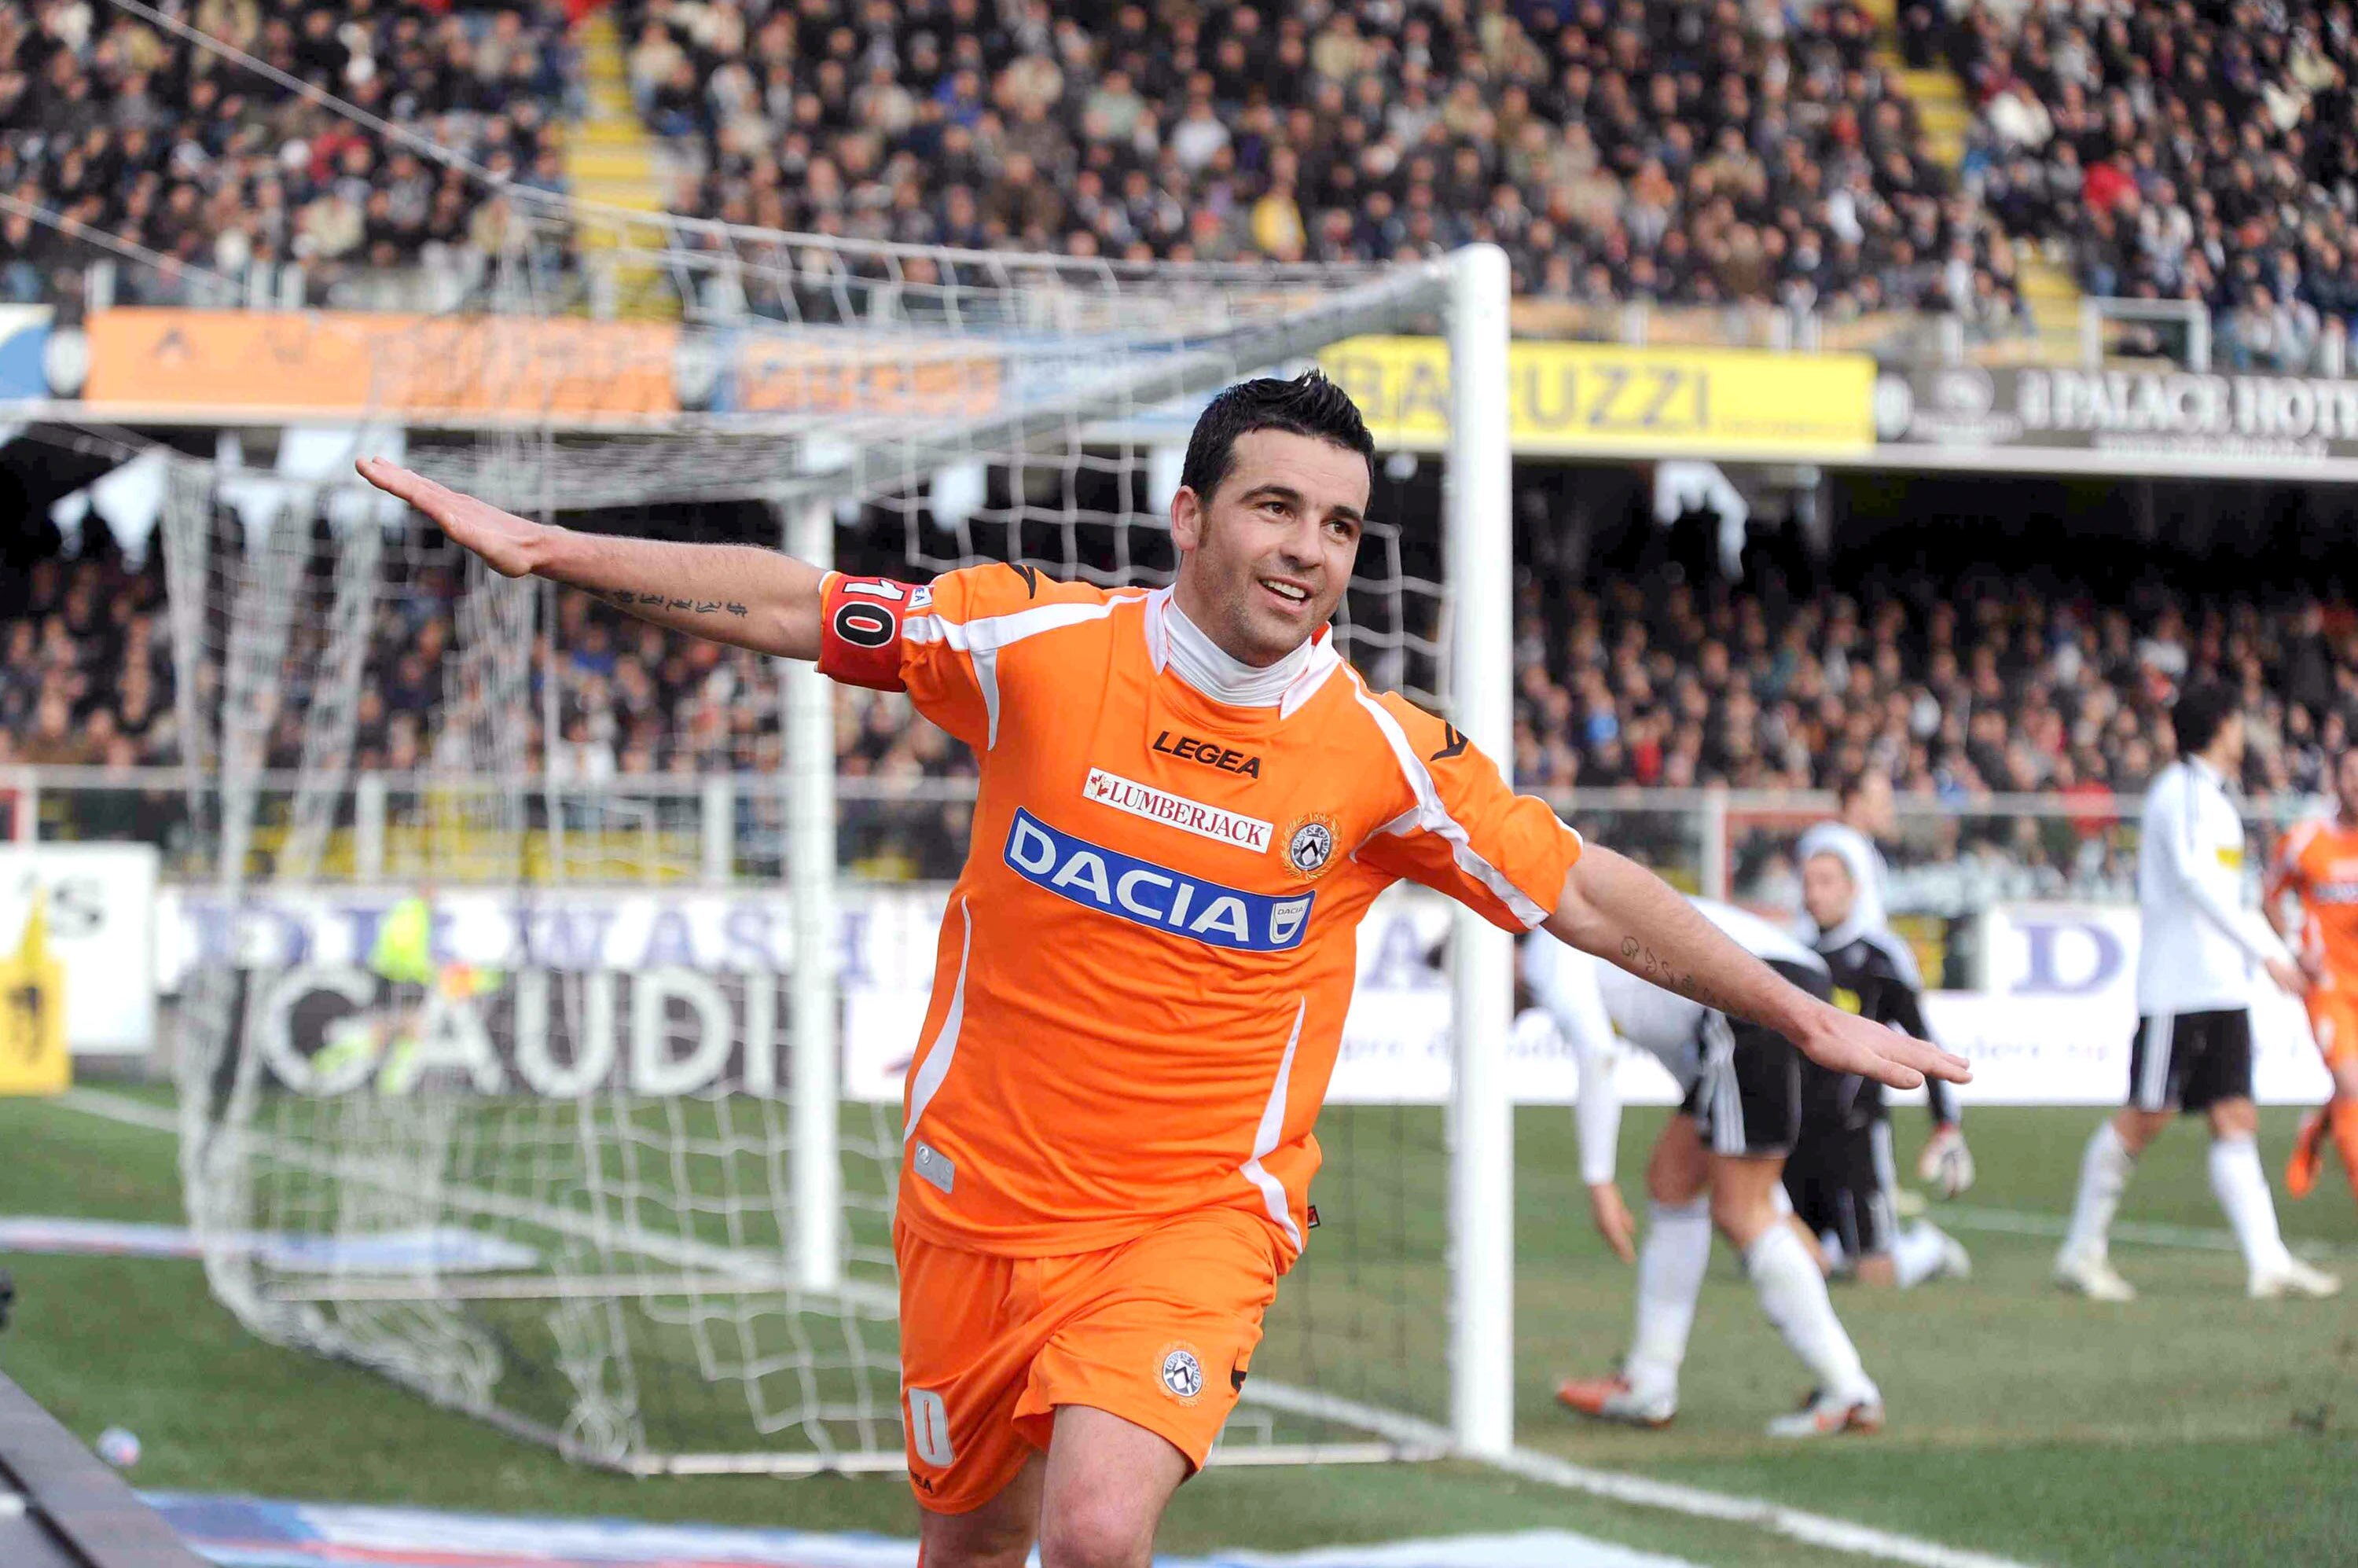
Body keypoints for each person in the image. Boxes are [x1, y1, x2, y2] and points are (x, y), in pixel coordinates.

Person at [356, 374, 1964, 1568]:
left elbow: (1587, 891)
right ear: (1188, 514)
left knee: (1103, 1530)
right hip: (975, 1200)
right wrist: (554, 550)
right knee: (971, 1553)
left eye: (1340, 524)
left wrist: (1798, 1002)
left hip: (1194, 1216)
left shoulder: (1382, 757)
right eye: (1276, 507)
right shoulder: (1031, 651)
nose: (1311, 549)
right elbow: (797, 606)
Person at [1532, 900, 1893, 1438]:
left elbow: (1597, 1054)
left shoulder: (1546, 945)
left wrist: (1599, 1182)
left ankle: (1850, 1390)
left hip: (1747, 992)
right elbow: (1712, 1098)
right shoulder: (1615, 966)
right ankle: (1649, 1381)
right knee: (1675, 1178)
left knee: (1737, 1210)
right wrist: (1779, 1204)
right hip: (1783, 986)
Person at [2053, 681, 2338, 1303]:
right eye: (2240, 721)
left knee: (2235, 1115)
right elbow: (2194, 880)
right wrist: (2267, 953)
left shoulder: (2211, 795)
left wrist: (2281, 949)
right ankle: (2081, 1250)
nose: (2247, 733)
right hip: (2177, 988)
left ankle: (2269, 1262)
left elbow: (2227, 893)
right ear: (2222, 725)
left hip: (2220, 987)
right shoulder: (2180, 791)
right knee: (2145, 1115)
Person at [1793, 846, 1971, 1288]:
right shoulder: (1794, 959)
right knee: (1790, 1266)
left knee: (1875, 1275)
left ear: (1852, 891)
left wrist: (1945, 1124)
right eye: (1808, 881)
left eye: (1826, 881)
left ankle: (1928, 1250)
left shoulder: (1877, 960)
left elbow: (1922, 1042)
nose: (1813, 892)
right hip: (1798, 1138)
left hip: (1856, 1133)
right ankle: (1837, 1248)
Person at [1795, 772, 1971, 1196]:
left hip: (1853, 971)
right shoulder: (1839, 845)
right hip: (1845, 971)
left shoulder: (1856, 848)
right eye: (1879, 799)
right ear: (1854, 801)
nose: (1888, 808)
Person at [2266, 744, 2358, 1208]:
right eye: (2352, 772)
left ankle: (2315, 1128)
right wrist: (2294, 950)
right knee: (2353, 1086)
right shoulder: (2305, 840)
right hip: (2329, 986)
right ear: (2335, 778)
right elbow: (2269, 896)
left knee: (2351, 1086)